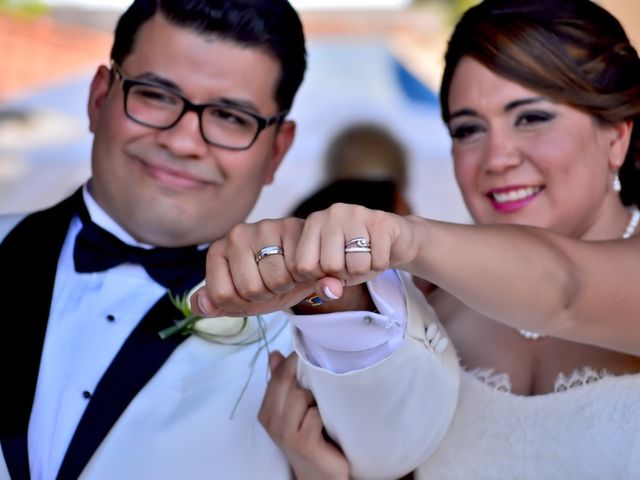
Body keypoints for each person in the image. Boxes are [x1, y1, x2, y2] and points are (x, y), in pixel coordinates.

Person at [0, 1, 459, 479]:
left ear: (277, 150)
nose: (182, 141)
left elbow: (396, 440)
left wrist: (331, 301)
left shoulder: (311, 326)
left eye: (230, 117)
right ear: (98, 99)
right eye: (155, 95)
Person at [192, 0, 640, 478]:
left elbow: (566, 290)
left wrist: (401, 236)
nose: (497, 157)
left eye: (530, 118)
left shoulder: (418, 261)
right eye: (468, 129)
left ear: (616, 136)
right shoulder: (418, 313)